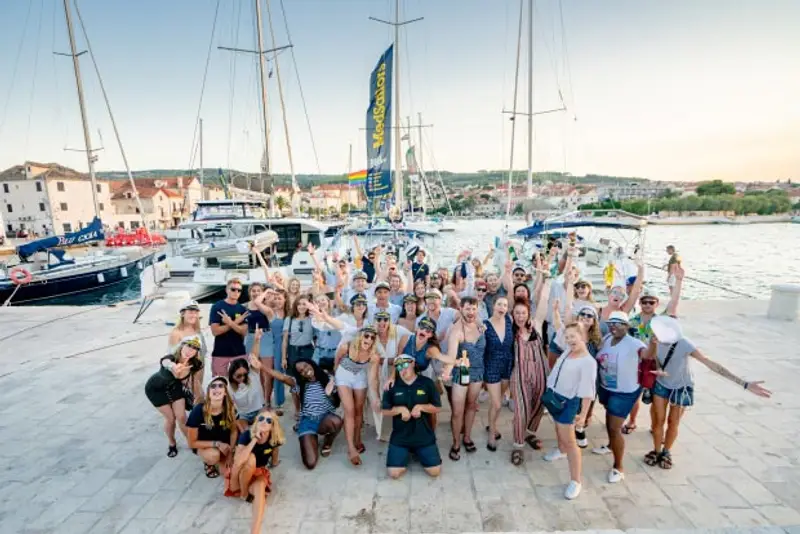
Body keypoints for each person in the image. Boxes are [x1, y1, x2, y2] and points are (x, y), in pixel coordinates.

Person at [644, 316, 771, 470]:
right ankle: (657, 450)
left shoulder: (684, 343)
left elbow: (709, 363)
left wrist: (744, 384)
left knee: (673, 422)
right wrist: (656, 360)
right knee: (658, 421)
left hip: (682, 387)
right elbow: (653, 359)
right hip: (662, 385)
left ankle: (666, 451)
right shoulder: (652, 341)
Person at [594, 311, 653, 483]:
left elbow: (647, 354)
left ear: (627, 326)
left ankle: (618, 467)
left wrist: (654, 344)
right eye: (611, 323)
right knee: (608, 418)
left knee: (614, 427)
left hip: (624, 391)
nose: (614, 326)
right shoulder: (606, 339)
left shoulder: (634, 343)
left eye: (619, 323)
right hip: (606, 387)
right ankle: (611, 445)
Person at [543, 324, 597, 499]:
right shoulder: (567, 351)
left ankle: (576, 481)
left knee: (571, 441)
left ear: (583, 337)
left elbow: (588, 392)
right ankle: (560, 450)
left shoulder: (588, 362)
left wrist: (583, 415)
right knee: (558, 430)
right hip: (554, 397)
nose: (569, 340)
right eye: (567, 337)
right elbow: (559, 323)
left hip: (568, 402)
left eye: (573, 336)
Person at [265, 359, 343, 469]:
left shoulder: (327, 378)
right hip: (307, 422)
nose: (305, 370)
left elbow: (336, 403)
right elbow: (282, 377)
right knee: (310, 463)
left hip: (324, 419)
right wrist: (262, 367)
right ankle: (311, 437)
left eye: (306, 366)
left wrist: (330, 392)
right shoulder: (300, 384)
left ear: (311, 363)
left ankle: (327, 442)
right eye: (301, 371)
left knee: (337, 421)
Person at [382, 355, 443, 479]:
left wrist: (422, 407)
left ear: (413, 363)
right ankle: (407, 452)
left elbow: (437, 407)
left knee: (435, 471)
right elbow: (384, 411)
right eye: (399, 366)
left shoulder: (427, 383)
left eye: (405, 365)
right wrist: (399, 409)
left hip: (424, 436)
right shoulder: (392, 386)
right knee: (394, 473)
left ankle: (417, 451)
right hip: (400, 437)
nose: (402, 369)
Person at [509, 285, 550, 465]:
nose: (520, 316)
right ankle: (518, 444)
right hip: (519, 374)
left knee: (540, 404)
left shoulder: (536, 327)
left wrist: (547, 279)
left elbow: (542, 303)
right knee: (521, 410)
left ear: (528, 313)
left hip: (541, 372)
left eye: (523, 313)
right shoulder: (510, 331)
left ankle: (529, 433)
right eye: (516, 313)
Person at [145, 336, 205, 457]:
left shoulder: (195, 363)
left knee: (182, 417)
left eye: (195, 348)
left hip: (175, 388)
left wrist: (202, 399)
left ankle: (191, 442)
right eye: (188, 345)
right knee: (171, 419)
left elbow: (194, 382)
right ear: (182, 345)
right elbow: (165, 362)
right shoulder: (171, 357)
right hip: (156, 389)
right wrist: (173, 366)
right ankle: (172, 443)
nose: (190, 350)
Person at [229, 409, 285, 534]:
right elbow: (238, 461)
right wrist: (254, 439)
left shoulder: (273, 439)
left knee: (260, 486)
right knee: (251, 459)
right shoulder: (246, 435)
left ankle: (255, 531)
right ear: (256, 421)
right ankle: (243, 493)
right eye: (261, 419)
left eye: (269, 420)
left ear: (272, 426)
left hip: (258, 473)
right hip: (240, 474)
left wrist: (274, 463)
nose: (264, 422)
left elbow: (275, 453)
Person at [446, 297, 486, 461]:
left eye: (473, 309)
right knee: (457, 411)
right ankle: (456, 443)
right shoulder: (457, 331)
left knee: (472, 406)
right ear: (461, 309)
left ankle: (467, 437)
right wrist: (447, 370)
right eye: (467, 309)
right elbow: (450, 356)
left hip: (478, 373)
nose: (470, 312)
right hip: (461, 373)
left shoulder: (479, 323)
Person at [334, 326, 381, 466]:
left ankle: (357, 438)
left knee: (359, 409)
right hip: (343, 374)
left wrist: (376, 398)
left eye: (373, 337)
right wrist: (335, 376)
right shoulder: (346, 347)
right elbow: (336, 361)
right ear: (360, 336)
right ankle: (351, 448)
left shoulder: (374, 356)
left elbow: (373, 379)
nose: (369, 339)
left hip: (359, 376)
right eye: (366, 336)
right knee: (350, 410)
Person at [186, 376, 238, 479]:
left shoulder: (230, 408)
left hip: (225, 443)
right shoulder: (198, 411)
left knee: (230, 473)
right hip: (206, 445)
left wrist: (230, 453)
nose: (216, 389)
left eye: (220, 386)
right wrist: (217, 444)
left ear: (225, 392)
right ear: (208, 393)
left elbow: (233, 431)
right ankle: (209, 463)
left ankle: (223, 456)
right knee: (213, 456)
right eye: (213, 386)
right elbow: (191, 443)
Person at [483, 296, 513, 452]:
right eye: (499, 304)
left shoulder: (509, 321)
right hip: (491, 366)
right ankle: (492, 433)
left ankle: (491, 425)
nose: (502, 307)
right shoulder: (485, 325)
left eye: (505, 305)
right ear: (493, 306)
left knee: (498, 401)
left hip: (506, 366)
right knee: (496, 403)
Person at [243, 284, 276, 410]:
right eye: (253, 290)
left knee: (267, 371)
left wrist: (267, 291)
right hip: (251, 337)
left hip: (266, 336)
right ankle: (257, 400)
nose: (256, 293)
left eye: (258, 290)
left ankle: (267, 401)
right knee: (254, 371)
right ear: (249, 292)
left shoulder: (266, 305)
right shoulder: (245, 307)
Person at [228, 332, 267, 432]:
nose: (242, 378)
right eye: (238, 376)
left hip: (259, 410)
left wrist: (257, 340)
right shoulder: (228, 385)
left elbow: (253, 356)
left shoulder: (252, 374)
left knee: (261, 430)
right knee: (245, 433)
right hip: (243, 415)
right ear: (231, 375)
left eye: (245, 374)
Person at [209, 279, 249, 376]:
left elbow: (244, 332)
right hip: (220, 353)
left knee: (240, 385)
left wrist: (230, 323)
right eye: (233, 289)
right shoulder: (217, 307)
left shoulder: (243, 309)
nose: (236, 292)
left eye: (239, 290)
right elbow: (215, 331)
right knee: (220, 382)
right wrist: (236, 323)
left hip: (239, 352)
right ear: (227, 290)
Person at [282, 295, 314, 415]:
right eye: (299, 304)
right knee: (294, 382)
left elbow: (316, 337)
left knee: (308, 381)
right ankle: (297, 409)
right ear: (296, 305)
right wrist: (284, 357)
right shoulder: (289, 319)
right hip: (293, 351)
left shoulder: (312, 319)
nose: (301, 306)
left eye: (304, 304)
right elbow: (285, 340)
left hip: (308, 351)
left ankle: (308, 408)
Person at [269, 289, 289, 410]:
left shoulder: (290, 313)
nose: (277, 300)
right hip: (276, 345)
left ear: (285, 299)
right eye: (275, 298)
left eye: (280, 298)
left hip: (290, 344)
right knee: (278, 372)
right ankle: (279, 400)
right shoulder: (271, 312)